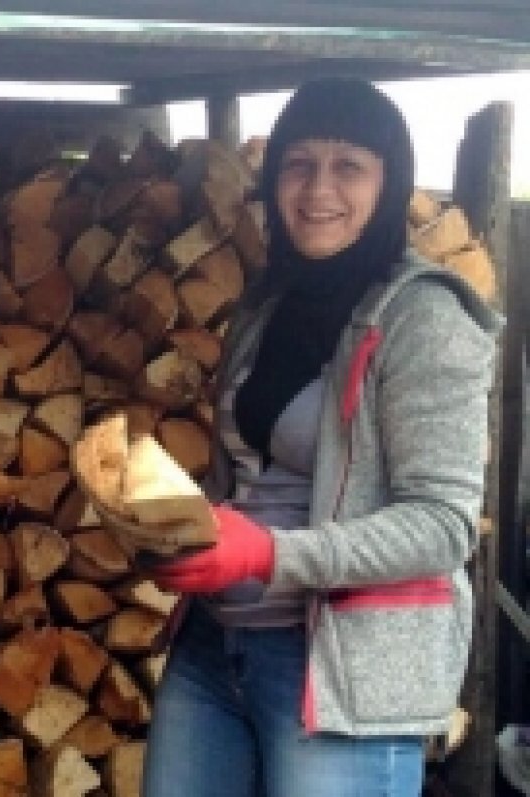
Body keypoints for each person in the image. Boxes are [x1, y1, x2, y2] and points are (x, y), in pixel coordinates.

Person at [141, 77, 500, 796]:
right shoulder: (267, 302)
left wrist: (269, 553)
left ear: (390, 180)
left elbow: (441, 525)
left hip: (336, 674)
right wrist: (179, 537)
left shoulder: (425, 320)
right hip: (216, 648)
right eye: (300, 163)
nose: (318, 190)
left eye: (349, 167)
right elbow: (245, 474)